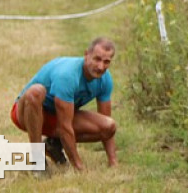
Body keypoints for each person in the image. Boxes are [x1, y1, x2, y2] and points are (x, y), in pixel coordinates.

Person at [11, 37, 118, 171]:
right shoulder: (67, 75)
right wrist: (79, 167)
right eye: (97, 59)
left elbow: (105, 121)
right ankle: (37, 161)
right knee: (35, 92)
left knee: (109, 126)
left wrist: (113, 162)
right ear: (86, 55)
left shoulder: (105, 80)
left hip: (56, 117)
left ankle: (53, 145)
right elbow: (64, 127)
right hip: (25, 114)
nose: (101, 66)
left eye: (106, 62)